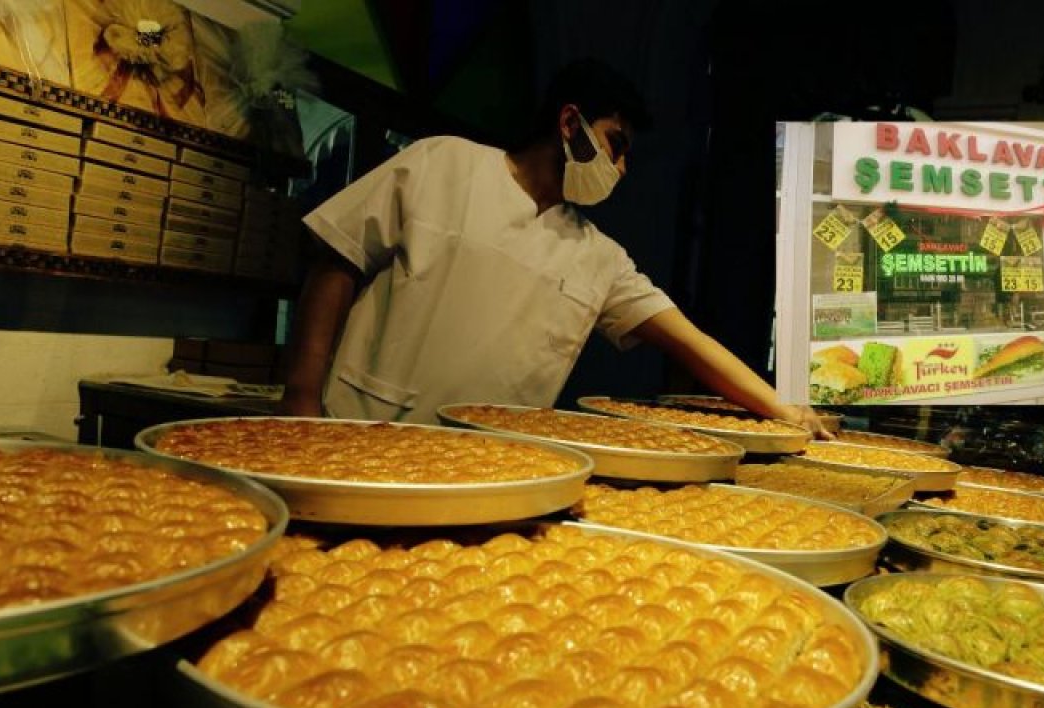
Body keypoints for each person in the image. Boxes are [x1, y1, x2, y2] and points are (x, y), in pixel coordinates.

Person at [280, 57, 829, 437]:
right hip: (358, 430)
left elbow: (690, 342)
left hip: (492, 464)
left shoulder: (600, 258)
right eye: (616, 144)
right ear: (570, 122)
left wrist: (785, 409)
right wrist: (301, 399)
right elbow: (336, 259)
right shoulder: (441, 162)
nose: (620, 168)